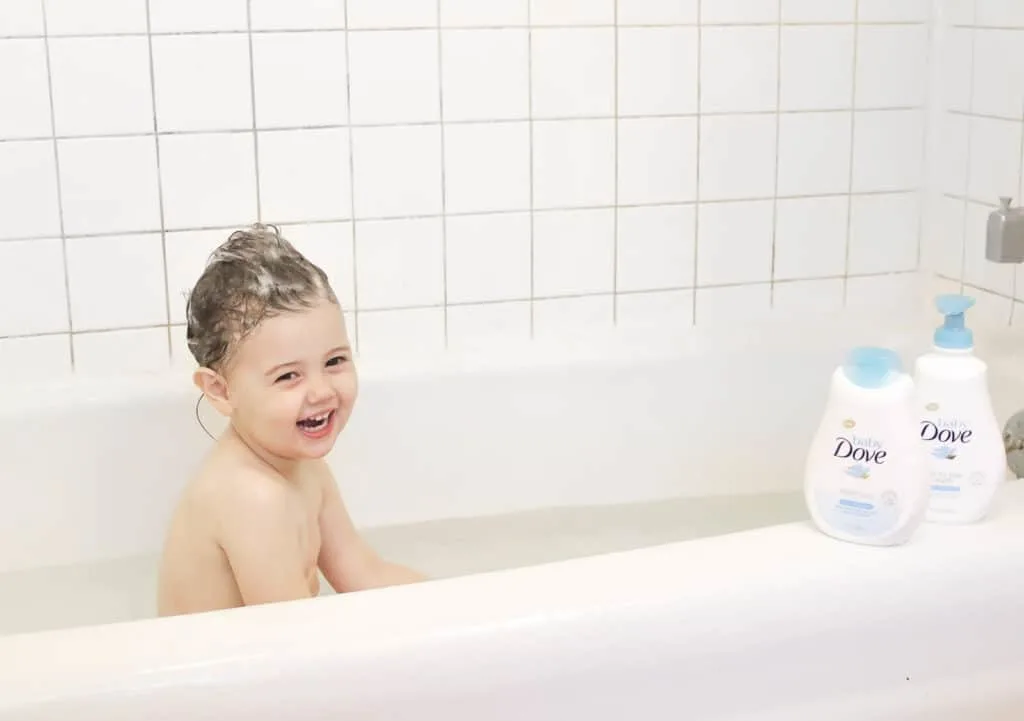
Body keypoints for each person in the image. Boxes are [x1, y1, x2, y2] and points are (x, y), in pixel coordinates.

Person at [157, 223, 426, 617]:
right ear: (220, 391)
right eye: (288, 376)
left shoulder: (303, 467)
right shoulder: (250, 496)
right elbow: (296, 648)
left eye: (334, 361)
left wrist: (465, 604)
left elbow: (365, 574)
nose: (321, 392)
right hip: (223, 675)